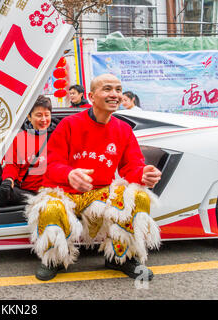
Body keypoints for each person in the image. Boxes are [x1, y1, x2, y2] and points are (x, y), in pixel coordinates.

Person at [25, 74, 162, 281]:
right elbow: (52, 165)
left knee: (139, 197)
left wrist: (143, 174)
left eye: (118, 89)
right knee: (49, 207)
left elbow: (132, 166)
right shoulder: (69, 124)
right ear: (91, 96)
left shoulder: (123, 129)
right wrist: (70, 174)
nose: (115, 94)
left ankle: (120, 257)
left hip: (98, 193)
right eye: (107, 89)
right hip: (63, 192)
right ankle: (54, 259)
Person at [0, 95, 56, 208]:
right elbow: (12, 164)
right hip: (20, 186)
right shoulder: (20, 138)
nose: (44, 119)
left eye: (47, 115)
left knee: (6, 193)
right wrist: (9, 179)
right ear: (29, 117)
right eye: (39, 115)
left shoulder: (56, 137)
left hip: (39, 194)